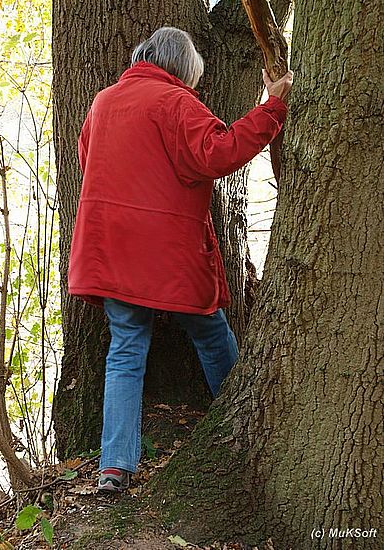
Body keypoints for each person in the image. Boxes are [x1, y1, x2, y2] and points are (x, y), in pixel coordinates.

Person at [68, 27, 293, 492]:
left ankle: (114, 467)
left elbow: (89, 164)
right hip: (167, 250)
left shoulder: (103, 101)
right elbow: (219, 152)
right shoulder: (176, 102)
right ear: (183, 68)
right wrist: (272, 108)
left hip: (110, 247)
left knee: (125, 351)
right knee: (210, 331)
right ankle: (244, 426)